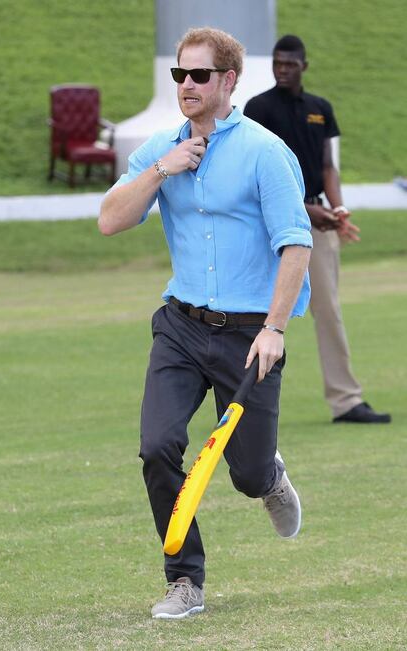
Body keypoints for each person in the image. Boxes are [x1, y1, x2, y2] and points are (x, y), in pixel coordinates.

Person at [99, 27, 312, 620]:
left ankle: (269, 476)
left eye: (199, 75)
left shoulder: (266, 152)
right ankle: (184, 580)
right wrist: (161, 170)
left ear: (229, 81)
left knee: (244, 475)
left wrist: (275, 328)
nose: (186, 86)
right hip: (181, 326)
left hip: (251, 334)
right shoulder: (163, 148)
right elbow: (110, 220)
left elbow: (296, 245)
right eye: (179, 75)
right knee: (157, 446)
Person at [244, 35, 391, 424]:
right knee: (251, 315)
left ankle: (346, 401)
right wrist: (307, 211)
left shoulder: (319, 109)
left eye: (290, 64)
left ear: (304, 66)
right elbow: (256, 176)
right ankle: (239, 407)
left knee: (329, 311)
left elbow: (327, 166)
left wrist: (336, 209)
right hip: (267, 224)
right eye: (277, 62)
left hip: (317, 221)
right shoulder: (258, 109)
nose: (283, 69)